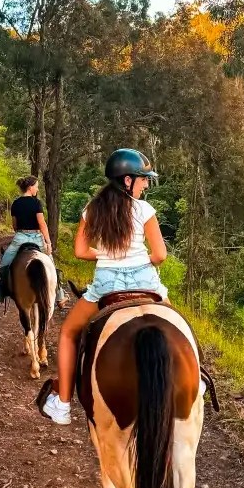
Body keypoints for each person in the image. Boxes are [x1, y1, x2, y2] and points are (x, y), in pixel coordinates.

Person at [41, 148, 167, 427]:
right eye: (142, 179)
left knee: (69, 333)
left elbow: (79, 251)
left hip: (106, 284)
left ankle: (62, 405)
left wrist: (108, 255)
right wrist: (136, 258)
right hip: (145, 280)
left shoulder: (92, 209)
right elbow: (159, 255)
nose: (146, 184)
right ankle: (198, 378)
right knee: (178, 325)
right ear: (127, 181)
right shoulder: (144, 210)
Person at [0, 176, 52, 309]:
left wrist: (21, 232)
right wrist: (48, 242)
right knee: (50, 264)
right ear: (30, 187)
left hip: (20, 237)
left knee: (4, 264)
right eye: (36, 186)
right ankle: (60, 296)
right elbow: (42, 223)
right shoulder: (36, 203)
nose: (37, 189)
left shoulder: (15, 203)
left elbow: (15, 225)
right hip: (36, 237)